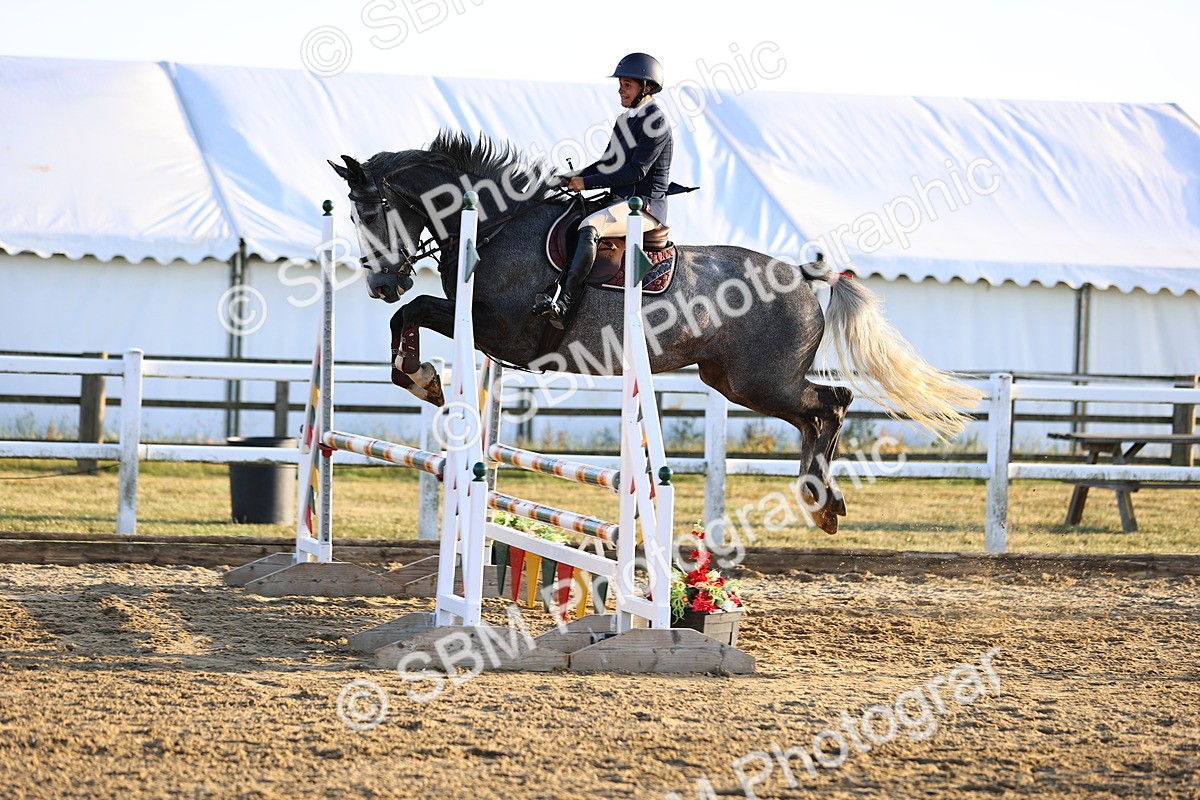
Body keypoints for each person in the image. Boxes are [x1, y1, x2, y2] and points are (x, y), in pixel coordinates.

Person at [533, 52, 674, 329]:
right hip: (620, 201)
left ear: (646, 88)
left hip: (644, 207)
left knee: (590, 225)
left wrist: (587, 183)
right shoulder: (625, 120)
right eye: (620, 84)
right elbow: (608, 163)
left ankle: (565, 301)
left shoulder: (656, 123)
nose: (620, 90)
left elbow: (636, 172)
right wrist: (575, 176)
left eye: (627, 85)